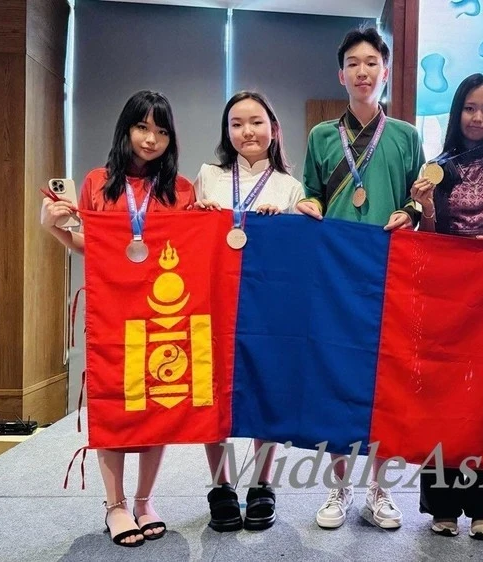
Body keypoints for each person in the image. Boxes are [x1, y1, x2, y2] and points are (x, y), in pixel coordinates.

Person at [40, 90, 196, 547]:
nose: (151, 139)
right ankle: (115, 504)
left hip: (163, 313)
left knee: (159, 402)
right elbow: (89, 245)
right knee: (112, 403)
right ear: (125, 128)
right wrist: (51, 227)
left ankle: (145, 500)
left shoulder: (182, 189)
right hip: (111, 310)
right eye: (142, 127)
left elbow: (189, 251)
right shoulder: (97, 182)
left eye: (161, 131)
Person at [295, 25, 425, 530]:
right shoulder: (321, 136)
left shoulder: (407, 136)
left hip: (389, 274)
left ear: (385, 72)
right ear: (341, 74)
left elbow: (417, 201)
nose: (363, 71)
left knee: (386, 383)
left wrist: (411, 212)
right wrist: (309, 203)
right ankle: (339, 487)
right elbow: (310, 191)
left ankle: (380, 490)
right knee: (337, 379)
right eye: (354, 63)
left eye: (372, 63)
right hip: (334, 276)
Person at [410, 73, 483, 540]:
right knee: (439, 395)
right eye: (470, 108)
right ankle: (441, 505)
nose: (478, 118)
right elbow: (430, 237)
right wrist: (426, 206)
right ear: (456, 112)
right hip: (444, 293)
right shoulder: (435, 166)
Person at [191, 90, 304, 531]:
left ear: (273, 128)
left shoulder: (290, 186)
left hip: (268, 301)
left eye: (256, 122)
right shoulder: (208, 176)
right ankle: (221, 484)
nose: (247, 132)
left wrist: (283, 223)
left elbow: (299, 252)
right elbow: (188, 237)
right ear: (227, 131)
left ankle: (261, 483)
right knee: (213, 384)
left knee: (265, 385)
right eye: (236, 124)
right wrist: (200, 213)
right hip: (214, 298)